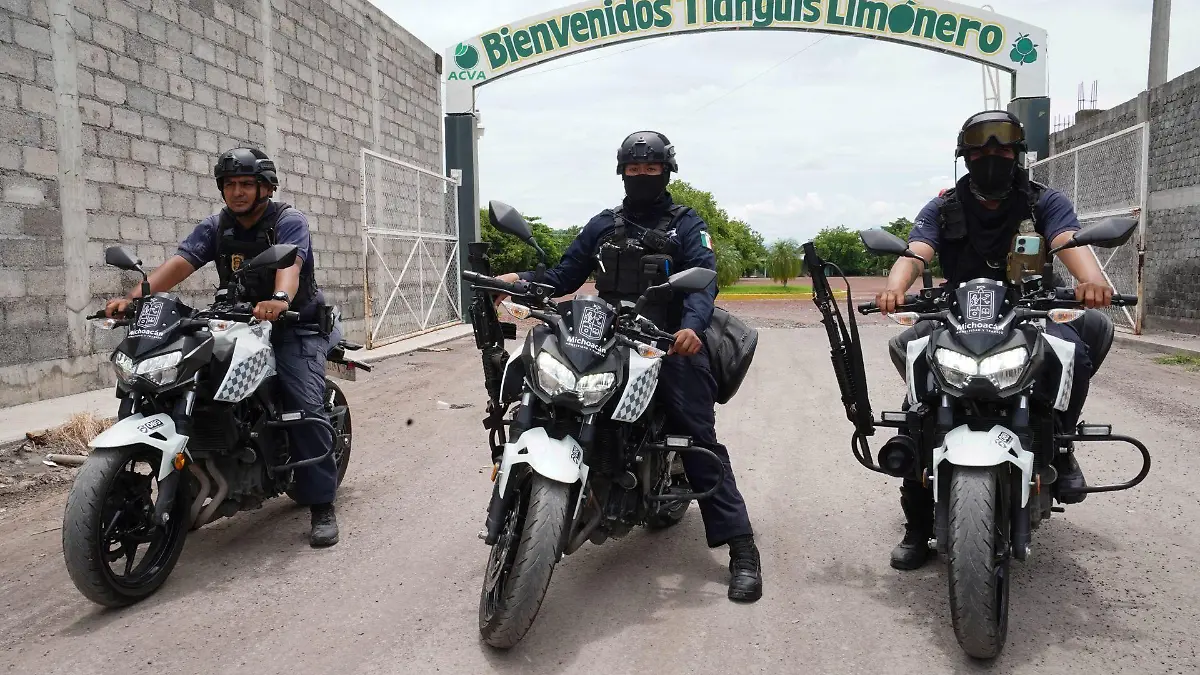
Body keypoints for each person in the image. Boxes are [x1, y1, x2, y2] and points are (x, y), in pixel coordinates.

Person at [492, 131, 763, 602]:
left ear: (666, 172)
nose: (641, 177)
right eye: (633, 170)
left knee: (695, 435)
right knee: (543, 387)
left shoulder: (686, 224)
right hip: (604, 333)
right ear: (622, 173)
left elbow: (702, 284)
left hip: (668, 340)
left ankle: (741, 549)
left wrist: (692, 328)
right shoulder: (604, 224)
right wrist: (520, 281)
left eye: (650, 169)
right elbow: (565, 275)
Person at [876, 110, 1116, 570]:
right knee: (917, 399)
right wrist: (895, 286)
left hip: (1029, 310)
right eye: (981, 148)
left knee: (1077, 347)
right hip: (956, 313)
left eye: (1002, 147)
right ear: (964, 155)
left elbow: (1068, 240)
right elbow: (916, 252)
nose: (991, 156)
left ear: (1017, 154)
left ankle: (1061, 445)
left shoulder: (1043, 200)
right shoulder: (943, 207)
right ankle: (918, 526)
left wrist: (1090, 280)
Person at [104, 147, 344, 548]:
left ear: (265, 187)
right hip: (237, 318)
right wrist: (135, 297)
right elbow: (181, 262)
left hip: (294, 324)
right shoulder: (217, 226)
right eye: (230, 184)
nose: (237, 192)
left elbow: (291, 268)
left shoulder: (288, 222)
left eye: (246, 184)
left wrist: (281, 300)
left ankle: (321, 503)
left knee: (301, 406)